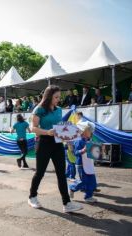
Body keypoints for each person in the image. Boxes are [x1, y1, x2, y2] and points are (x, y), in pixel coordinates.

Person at [28, 85, 83, 213]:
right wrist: (47, 132)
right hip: (44, 143)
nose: (58, 99)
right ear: (49, 96)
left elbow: (60, 127)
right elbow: (33, 128)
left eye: (59, 97)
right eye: (56, 97)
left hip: (57, 143)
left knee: (61, 174)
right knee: (40, 172)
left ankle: (67, 203)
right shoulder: (39, 109)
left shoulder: (58, 110)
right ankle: (32, 196)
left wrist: (69, 138)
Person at [69, 121, 98, 203]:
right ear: (83, 131)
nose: (91, 132)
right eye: (89, 130)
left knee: (92, 182)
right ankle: (72, 188)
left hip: (89, 164)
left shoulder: (89, 140)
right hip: (81, 164)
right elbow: (75, 153)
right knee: (83, 182)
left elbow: (92, 152)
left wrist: (97, 152)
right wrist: (83, 150)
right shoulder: (79, 141)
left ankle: (88, 197)